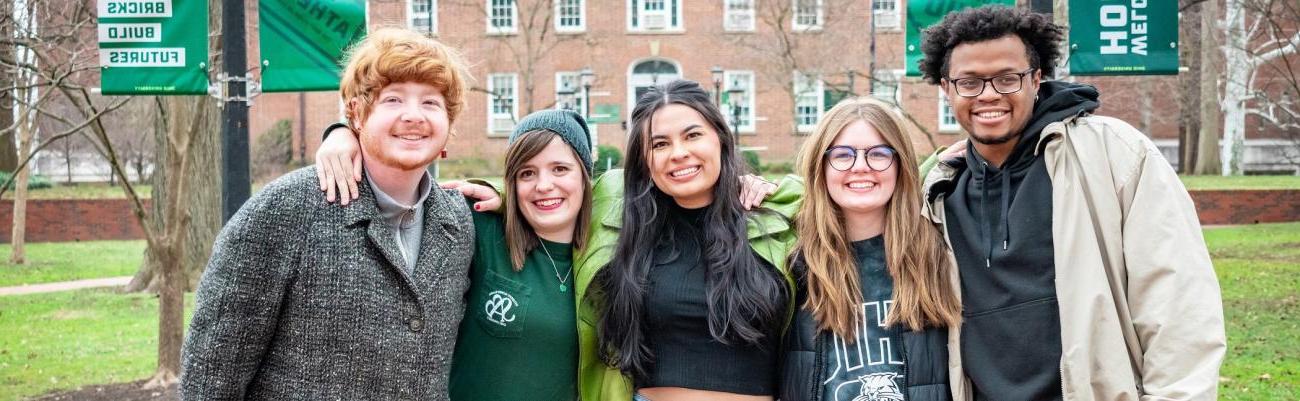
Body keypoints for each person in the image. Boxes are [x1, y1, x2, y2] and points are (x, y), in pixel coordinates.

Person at [917, 5, 1226, 401]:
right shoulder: (941, 194)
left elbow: (1180, 308)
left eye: (1008, 79)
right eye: (970, 82)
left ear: (1037, 78)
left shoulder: (1113, 155)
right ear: (946, 89)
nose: (989, 94)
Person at [179, 27, 474, 400]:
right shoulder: (285, 210)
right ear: (357, 113)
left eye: (430, 103)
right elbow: (211, 374)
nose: (413, 116)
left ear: (449, 123)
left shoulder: (460, 224)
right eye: (393, 99)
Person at [582, 79, 802, 401]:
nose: (679, 154)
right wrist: (498, 195)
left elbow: (841, 196)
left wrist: (781, 191)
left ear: (720, 139)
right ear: (645, 160)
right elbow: (548, 195)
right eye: (660, 145)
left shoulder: (773, 220)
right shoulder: (622, 225)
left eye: (692, 135)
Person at [780, 97, 960, 401]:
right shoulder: (791, 260)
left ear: (900, 163)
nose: (860, 167)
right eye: (842, 155)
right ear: (820, 166)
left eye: (878, 154)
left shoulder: (940, 252)